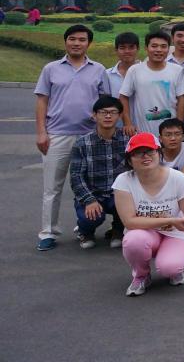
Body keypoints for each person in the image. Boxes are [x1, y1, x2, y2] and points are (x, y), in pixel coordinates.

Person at [113, 132, 184, 296]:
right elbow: (130, 222)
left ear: (159, 153)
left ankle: (173, 267)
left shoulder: (178, 178)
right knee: (133, 240)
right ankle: (141, 275)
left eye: (150, 151)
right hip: (145, 233)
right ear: (129, 160)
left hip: (176, 232)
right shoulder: (123, 180)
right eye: (138, 153)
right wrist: (170, 220)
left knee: (170, 268)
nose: (145, 156)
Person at [33, 24, 110, 251]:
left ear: (89, 43)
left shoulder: (98, 69)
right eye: (72, 39)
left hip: (90, 136)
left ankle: (84, 228)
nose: (77, 43)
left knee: (91, 185)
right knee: (52, 187)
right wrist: (41, 132)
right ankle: (48, 232)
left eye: (82, 40)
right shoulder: (51, 69)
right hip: (57, 135)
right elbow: (42, 101)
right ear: (65, 41)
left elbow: (105, 103)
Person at [69, 96, 128, 250]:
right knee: (91, 217)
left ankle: (118, 230)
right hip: (94, 194)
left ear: (120, 115)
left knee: (133, 204)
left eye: (113, 112)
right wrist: (89, 200)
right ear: (94, 115)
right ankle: (85, 231)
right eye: (103, 112)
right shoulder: (82, 143)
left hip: (119, 194)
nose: (108, 116)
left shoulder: (128, 140)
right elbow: (76, 177)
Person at [119, 31, 184, 137]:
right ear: (146, 48)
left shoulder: (177, 70)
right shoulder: (135, 70)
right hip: (143, 132)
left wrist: (179, 125)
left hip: (170, 133)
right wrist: (128, 123)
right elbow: (123, 96)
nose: (159, 50)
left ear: (168, 49)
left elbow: (181, 98)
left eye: (163, 46)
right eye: (154, 46)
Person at [106, 31, 140, 101]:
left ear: (138, 49)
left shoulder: (147, 72)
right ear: (116, 50)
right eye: (122, 48)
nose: (127, 51)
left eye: (131, 47)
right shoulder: (107, 75)